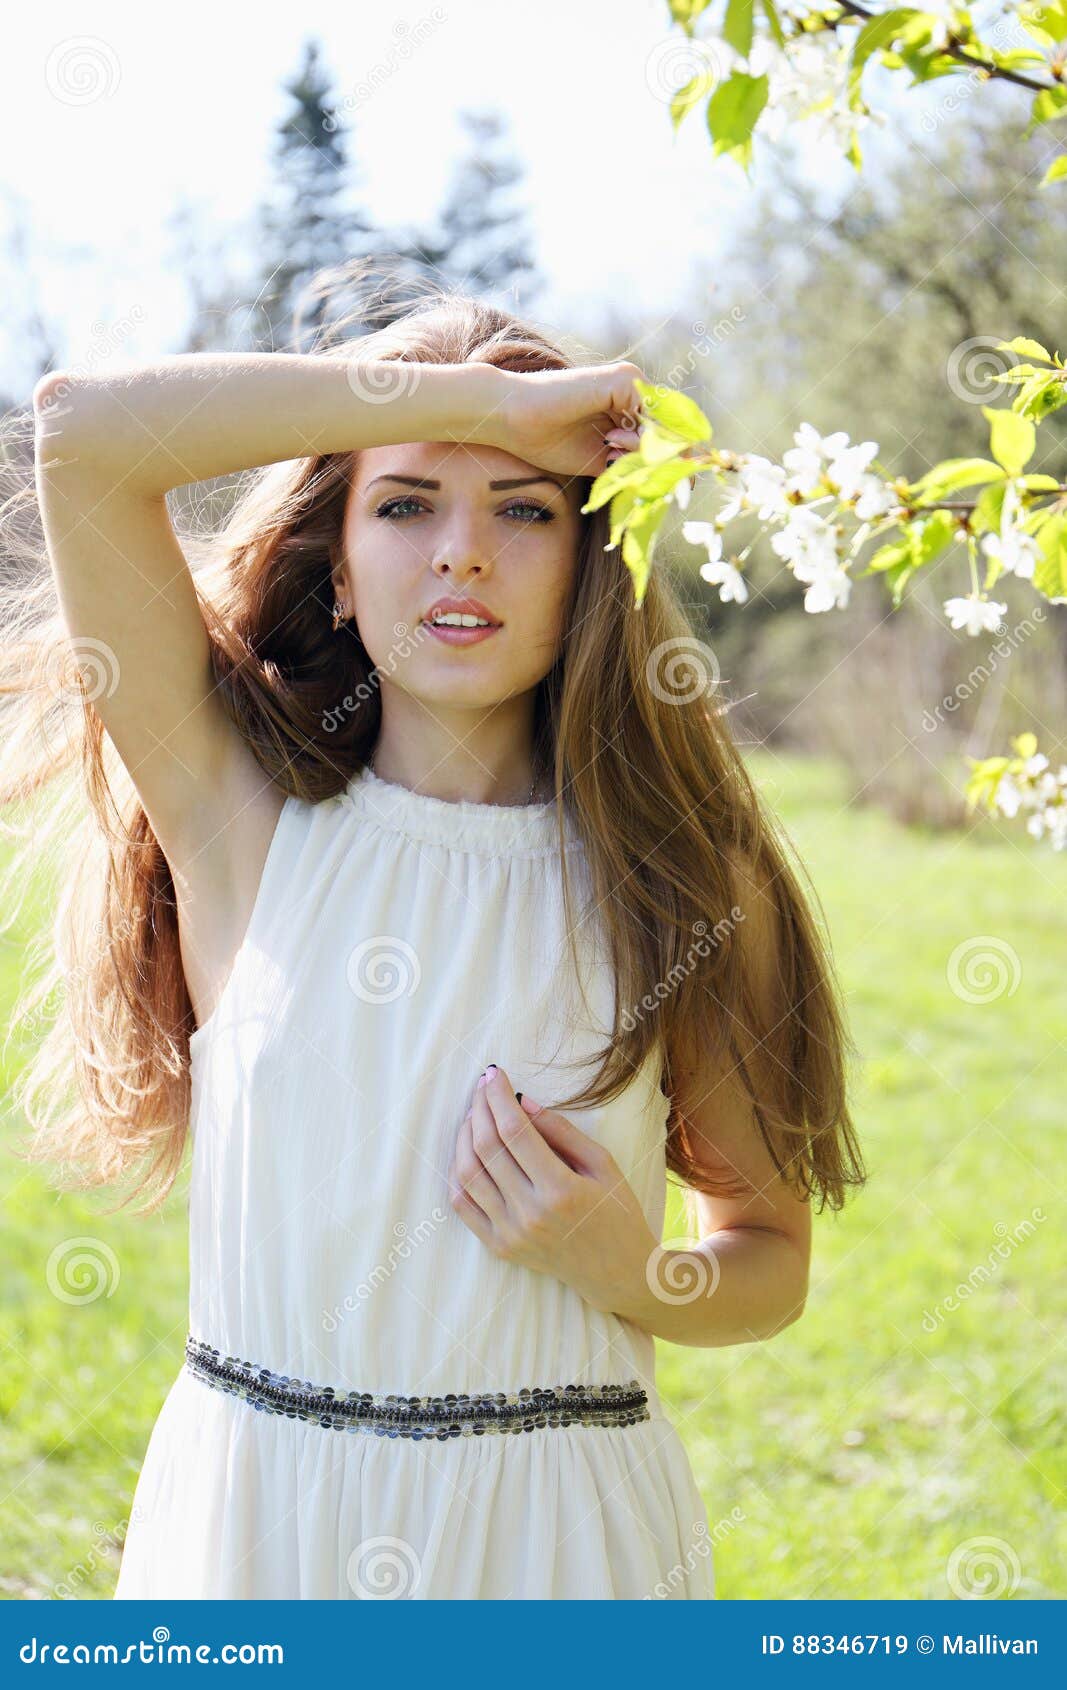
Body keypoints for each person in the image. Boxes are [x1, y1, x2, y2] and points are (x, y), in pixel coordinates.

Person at [8, 261, 865, 1599]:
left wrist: (633, 1269)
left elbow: (770, 1259)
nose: (460, 550)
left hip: (564, 1548)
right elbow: (82, 436)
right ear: (337, 569)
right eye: (405, 504)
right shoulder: (237, 826)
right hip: (259, 1533)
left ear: (593, 566)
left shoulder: (677, 889)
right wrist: (477, 403)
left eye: (522, 510)